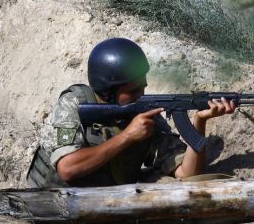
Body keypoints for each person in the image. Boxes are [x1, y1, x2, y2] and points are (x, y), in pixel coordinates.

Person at [27, 37, 236, 188]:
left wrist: (199, 122)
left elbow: (186, 173)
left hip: (104, 209)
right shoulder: (73, 105)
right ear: (108, 91)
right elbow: (68, 169)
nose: (141, 94)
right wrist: (127, 136)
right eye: (133, 90)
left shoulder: (145, 115)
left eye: (143, 87)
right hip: (50, 205)